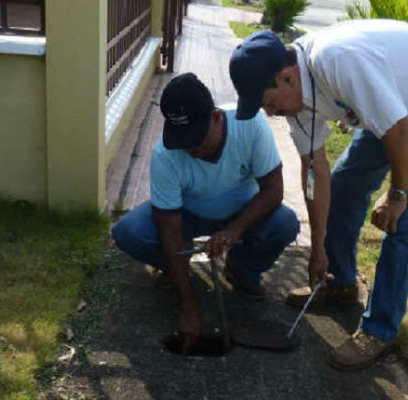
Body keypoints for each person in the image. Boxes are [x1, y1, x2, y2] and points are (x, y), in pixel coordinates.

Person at [229, 20, 408, 370]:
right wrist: (317, 250)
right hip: (396, 107)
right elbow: (315, 177)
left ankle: (379, 328)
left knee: (404, 218)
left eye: (268, 102)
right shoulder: (295, 98)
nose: (270, 113)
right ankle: (340, 282)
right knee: (344, 185)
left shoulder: (338, 62)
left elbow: (398, 127)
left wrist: (397, 193)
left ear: (287, 77)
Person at [112, 73, 299, 352]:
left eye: (197, 139)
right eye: (183, 141)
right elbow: (169, 227)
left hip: (241, 211)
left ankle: (242, 270)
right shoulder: (164, 155)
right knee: (129, 233)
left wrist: (233, 230)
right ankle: (176, 272)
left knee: (284, 223)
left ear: (215, 117)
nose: (192, 150)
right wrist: (187, 306)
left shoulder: (250, 123)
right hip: (188, 215)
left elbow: (273, 190)